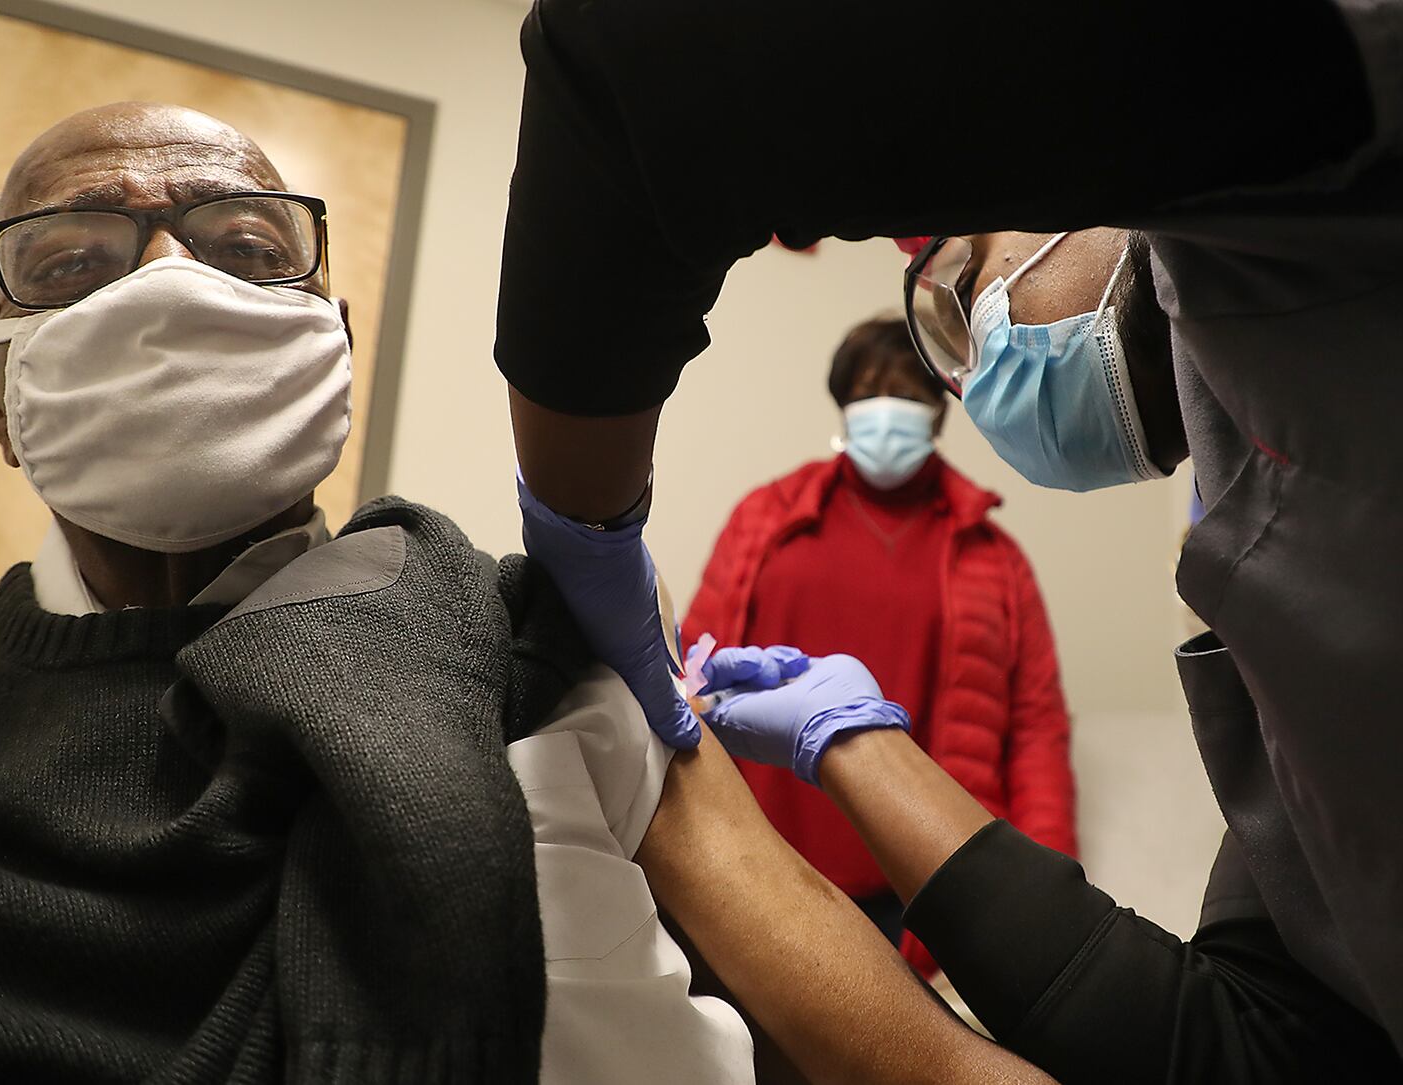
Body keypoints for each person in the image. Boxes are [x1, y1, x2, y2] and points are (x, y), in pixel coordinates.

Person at [491, 0, 1403, 1076]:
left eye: (958, 287)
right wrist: (853, 743)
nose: (970, 381)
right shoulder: (1271, 587)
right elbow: (1261, 1042)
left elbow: (631, 59)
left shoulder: (1335, 133)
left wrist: (581, 527)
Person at [0, 101, 766, 1084]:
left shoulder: (529, 650)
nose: (167, 285)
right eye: (71, 264)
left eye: (248, 247)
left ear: (332, 348)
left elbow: (836, 1024)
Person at [682, 316, 1076, 970]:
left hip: (918, 889)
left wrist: (1049, 896)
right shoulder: (766, 520)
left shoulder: (993, 557)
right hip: (760, 865)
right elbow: (693, 673)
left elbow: (1036, 729)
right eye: (867, 392)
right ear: (843, 405)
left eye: (906, 392)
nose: (885, 411)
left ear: (941, 412)